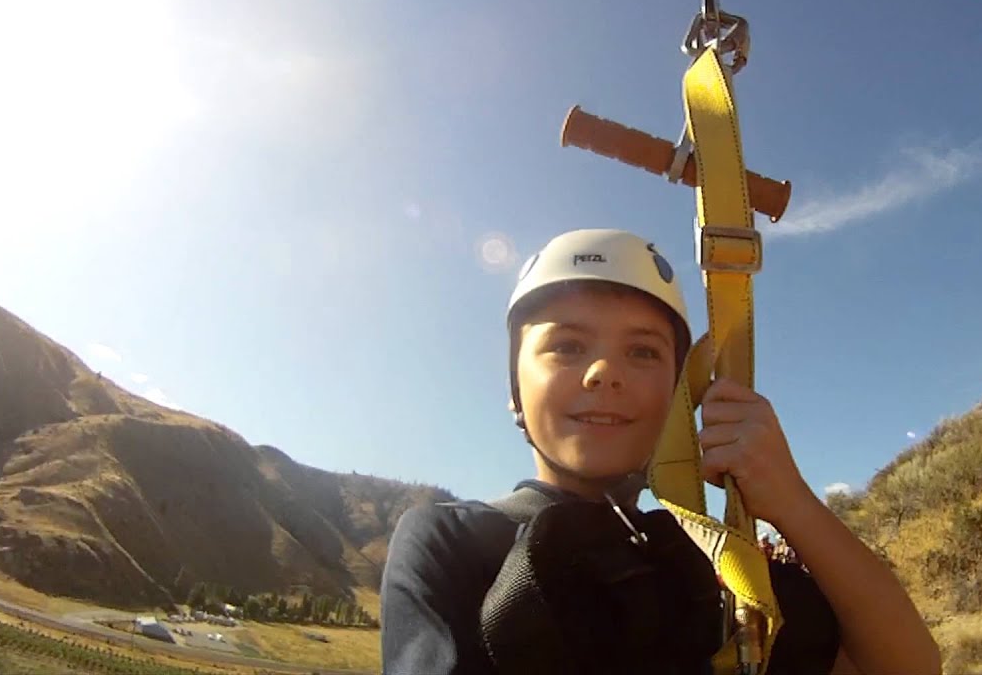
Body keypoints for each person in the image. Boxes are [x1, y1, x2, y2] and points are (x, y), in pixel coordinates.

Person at [381, 228, 942, 675]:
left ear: (679, 396)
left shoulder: (711, 563)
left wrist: (791, 501)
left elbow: (902, 666)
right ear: (515, 391)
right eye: (567, 346)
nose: (604, 372)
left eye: (644, 352)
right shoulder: (452, 540)